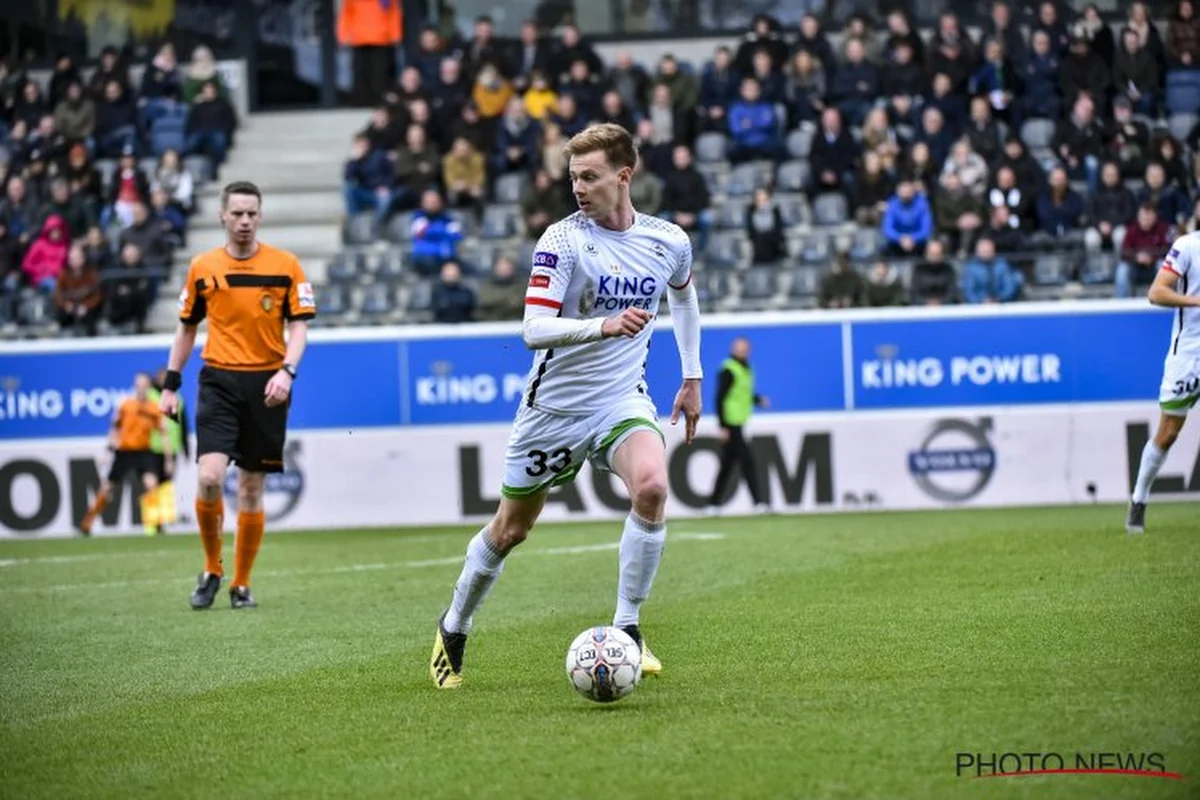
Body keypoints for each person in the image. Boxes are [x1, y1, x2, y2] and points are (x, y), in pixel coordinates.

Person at [429, 123, 703, 689]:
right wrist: (601, 326)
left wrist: (692, 372)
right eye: (573, 176)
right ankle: (454, 626)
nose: (577, 187)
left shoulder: (668, 240)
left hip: (621, 401)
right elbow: (532, 329)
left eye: (589, 176)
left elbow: (684, 293)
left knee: (651, 487)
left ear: (623, 176)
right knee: (509, 531)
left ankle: (628, 629)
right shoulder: (562, 240)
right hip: (552, 410)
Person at [158, 181, 316, 610]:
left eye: (252, 213)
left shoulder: (286, 265)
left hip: (268, 384)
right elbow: (187, 328)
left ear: (259, 216)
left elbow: (300, 325)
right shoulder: (202, 267)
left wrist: (288, 370)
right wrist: (170, 384)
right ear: (222, 217)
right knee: (209, 476)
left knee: (250, 487)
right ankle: (212, 567)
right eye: (238, 213)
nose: (245, 221)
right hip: (219, 381)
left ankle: (240, 584)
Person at [1126, 233, 1200, 534]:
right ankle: (1139, 499)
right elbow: (1156, 293)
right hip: (1190, 354)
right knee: (1168, 432)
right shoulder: (1188, 246)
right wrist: (1196, 301)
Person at [78, 373, 171, 535]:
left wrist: (169, 458)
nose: (141, 388)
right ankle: (88, 521)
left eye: (144, 385)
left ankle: (157, 523)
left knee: (152, 484)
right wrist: (108, 451)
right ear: (135, 387)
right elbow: (115, 429)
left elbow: (163, 433)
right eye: (138, 385)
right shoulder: (125, 405)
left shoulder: (154, 407)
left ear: (149, 387)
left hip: (144, 452)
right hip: (125, 452)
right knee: (107, 489)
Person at [706, 338, 770, 515]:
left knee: (727, 466)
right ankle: (758, 503)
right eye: (740, 348)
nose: (743, 351)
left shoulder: (746, 368)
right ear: (733, 348)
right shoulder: (728, 369)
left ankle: (713, 504)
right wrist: (723, 426)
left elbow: (742, 394)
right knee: (747, 462)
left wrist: (758, 399)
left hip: (738, 423)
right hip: (731, 424)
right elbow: (719, 398)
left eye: (745, 348)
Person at [147, 367, 191, 535]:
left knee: (166, 485)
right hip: (152, 448)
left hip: (171, 449)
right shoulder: (150, 396)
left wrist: (186, 449)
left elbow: (184, 426)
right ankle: (152, 523)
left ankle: (163, 523)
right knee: (152, 484)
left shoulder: (178, 398)